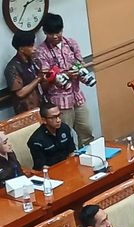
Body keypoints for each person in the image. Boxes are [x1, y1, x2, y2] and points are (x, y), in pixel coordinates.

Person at [35, 13, 94, 146]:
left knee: (87, 132)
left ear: (62, 29)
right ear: (45, 32)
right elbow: (45, 79)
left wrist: (79, 70)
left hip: (77, 97)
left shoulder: (71, 43)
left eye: (58, 32)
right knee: (64, 137)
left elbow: (80, 63)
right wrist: (66, 75)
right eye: (51, 33)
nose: (55, 36)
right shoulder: (41, 52)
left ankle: (89, 156)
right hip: (59, 102)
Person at [27, 102, 76, 170]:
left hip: (67, 166)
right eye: (53, 117)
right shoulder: (36, 140)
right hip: (50, 171)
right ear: (44, 120)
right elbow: (42, 166)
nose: (58, 120)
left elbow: (71, 152)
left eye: (59, 115)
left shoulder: (64, 128)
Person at [4, 31, 42, 114]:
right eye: (31, 46)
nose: (35, 48)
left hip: (40, 106)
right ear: (21, 49)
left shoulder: (34, 61)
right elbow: (20, 93)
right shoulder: (12, 67)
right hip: (26, 111)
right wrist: (38, 79)